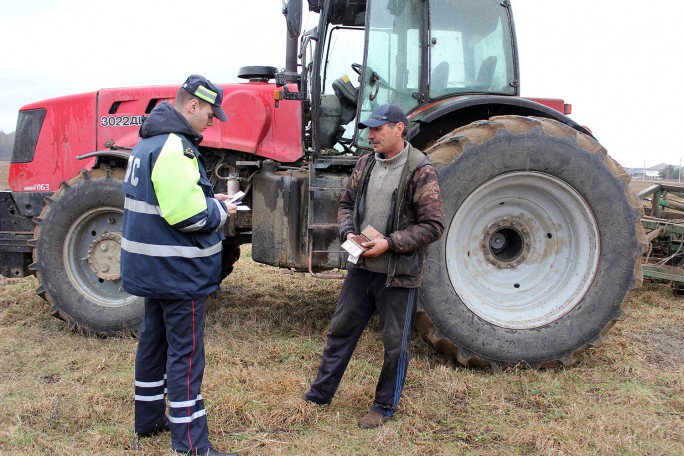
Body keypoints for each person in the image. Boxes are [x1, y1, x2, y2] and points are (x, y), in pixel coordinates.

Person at [304, 104, 445, 428]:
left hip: (397, 276)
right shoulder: (365, 163)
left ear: (399, 128)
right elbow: (346, 205)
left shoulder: (419, 169)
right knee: (340, 331)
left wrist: (390, 243)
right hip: (360, 270)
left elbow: (434, 225)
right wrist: (349, 231)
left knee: (395, 345)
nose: (371, 135)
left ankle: (383, 407)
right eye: (369, 129)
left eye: (378, 129)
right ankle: (319, 394)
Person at [121, 74, 239, 456]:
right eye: (210, 112)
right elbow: (188, 218)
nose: (212, 120)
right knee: (186, 358)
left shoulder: (148, 142)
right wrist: (220, 209)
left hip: (153, 268)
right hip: (178, 273)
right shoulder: (176, 147)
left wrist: (206, 195)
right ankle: (191, 445)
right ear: (192, 105)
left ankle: (150, 419)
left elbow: (166, 199)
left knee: (152, 344)